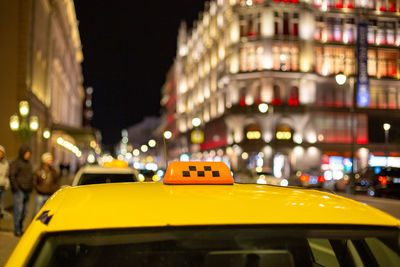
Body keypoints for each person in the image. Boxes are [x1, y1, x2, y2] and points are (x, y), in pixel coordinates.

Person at [9, 145, 33, 236]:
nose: (28, 155)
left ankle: (20, 227)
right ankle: (17, 229)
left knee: (24, 212)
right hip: (19, 191)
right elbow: (12, 175)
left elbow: (31, 176)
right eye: (26, 153)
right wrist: (16, 188)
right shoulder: (16, 163)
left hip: (27, 190)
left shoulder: (28, 164)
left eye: (29, 153)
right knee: (18, 211)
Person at [0, 145, 10, 218]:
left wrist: (7, 184)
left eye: (1, 152)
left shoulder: (5, 163)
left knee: (1, 205)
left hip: (2, 186)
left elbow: (7, 175)